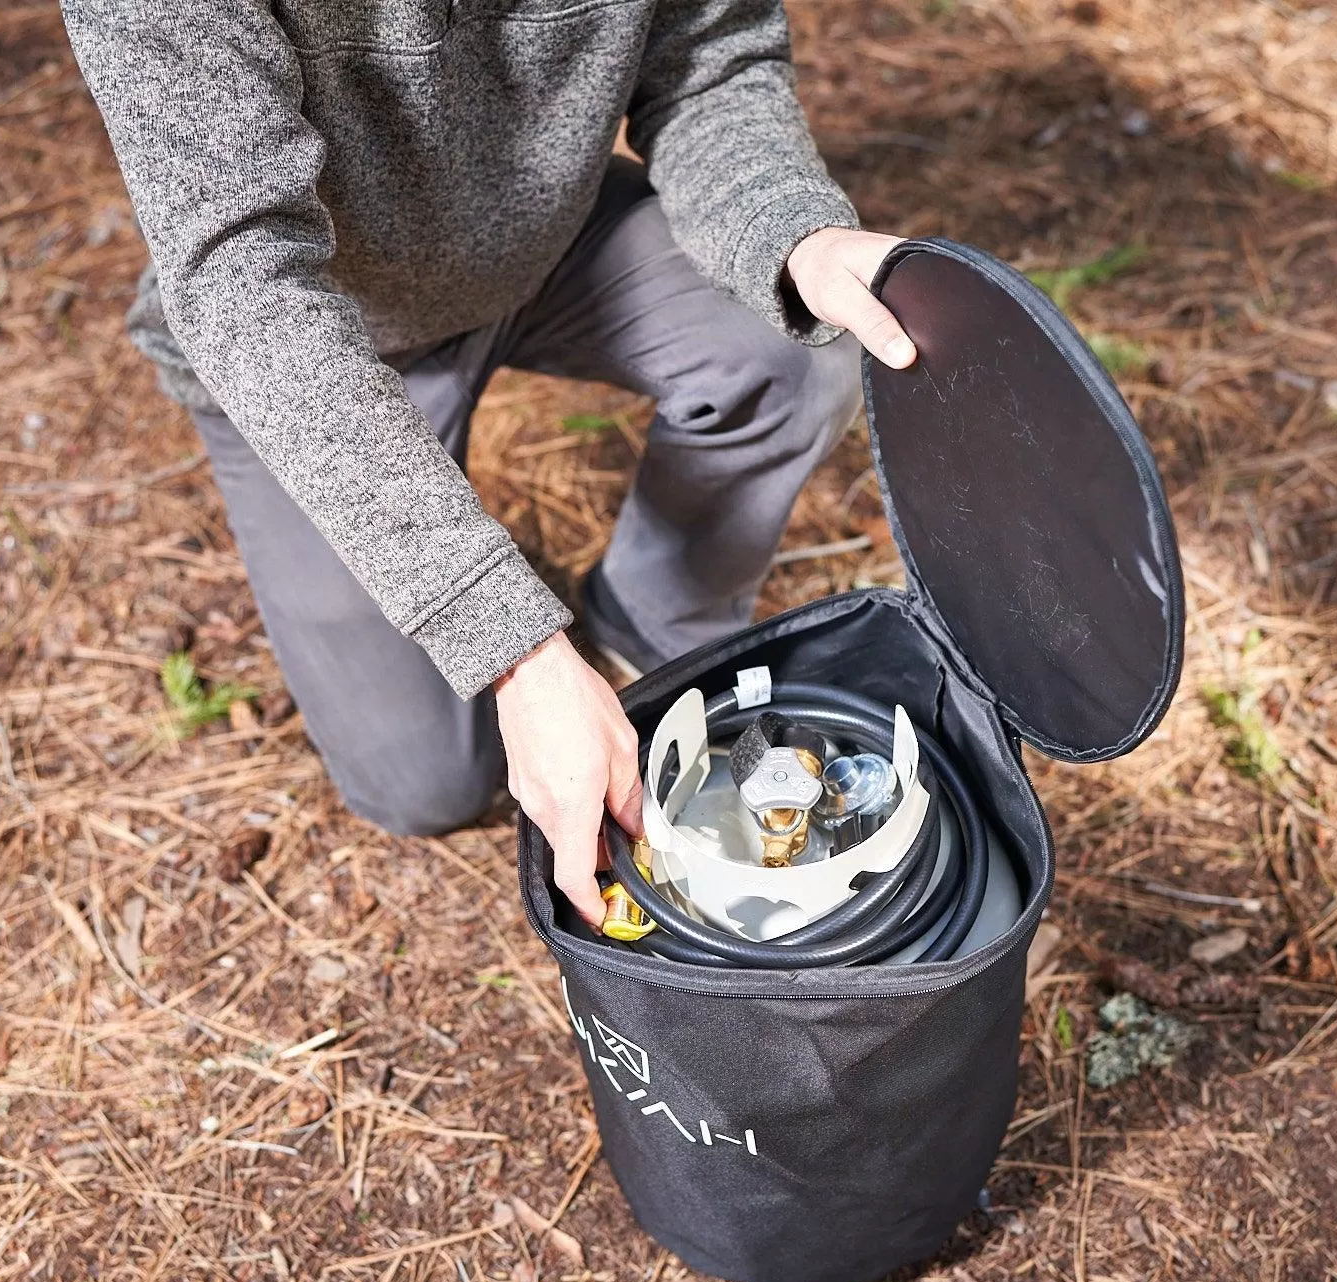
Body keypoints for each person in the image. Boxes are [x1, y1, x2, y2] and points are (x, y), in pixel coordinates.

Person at [61, 1, 916, 924]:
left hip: (550, 251)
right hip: (314, 331)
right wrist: (510, 643)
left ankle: (646, 620)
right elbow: (242, 281)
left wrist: (800, 237)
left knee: (796, 345)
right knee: (424, 784)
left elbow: (708, 63)